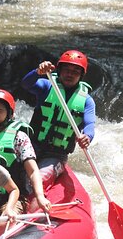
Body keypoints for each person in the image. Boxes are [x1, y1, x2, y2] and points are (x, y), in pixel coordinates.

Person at [20, 49, 96, 189]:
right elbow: (26, 84)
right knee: (16, 173)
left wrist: (88, 136)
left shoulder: (87, 101)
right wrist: (37, 72)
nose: (69, 74)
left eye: (75, 72)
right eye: (66, 70)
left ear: (81, 76)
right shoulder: (47, 86)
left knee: (39, 180)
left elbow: (89, 124)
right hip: (32, 146)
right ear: (59, 70)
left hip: (57, 154)